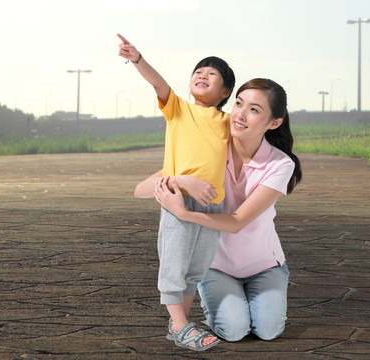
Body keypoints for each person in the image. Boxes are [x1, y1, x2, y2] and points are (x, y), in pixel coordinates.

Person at [139, 78, 302, 342]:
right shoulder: (208, 150)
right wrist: (182, 180)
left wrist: (185, 214)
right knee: (235, 331)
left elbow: (238, 221)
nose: (240, 114)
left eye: (254, 109)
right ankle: (217, 301)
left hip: (264, 266)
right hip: (216, 267)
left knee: (268, 330)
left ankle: (253, 298)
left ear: (274, 123)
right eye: (238, 103)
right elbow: (142, 188)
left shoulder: (280, 164)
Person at [117, 33, 235, 351]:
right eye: (198, 71)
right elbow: (158, 83)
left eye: (212, 74)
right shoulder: (179, 110)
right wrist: (137, 59)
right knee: (174, 265)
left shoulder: (228, 122)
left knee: (194, 269)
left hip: (212, 205)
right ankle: (183, 326)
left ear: (225, 91)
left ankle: (178, 324)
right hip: (177, 199)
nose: (202, 74)